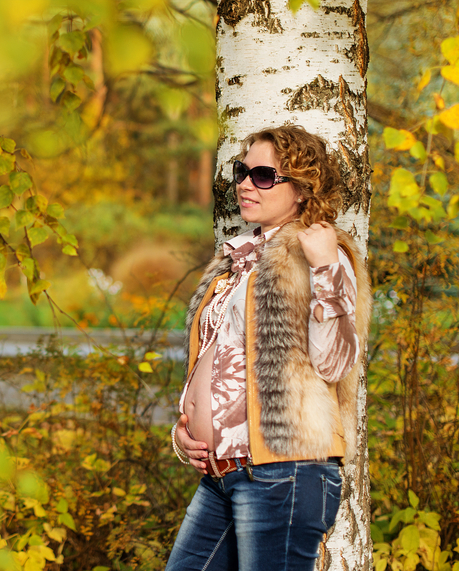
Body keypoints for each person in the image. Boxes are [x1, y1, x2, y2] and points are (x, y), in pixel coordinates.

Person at [165, 125, 371, 571]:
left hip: (283, 472)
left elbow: (335, 362)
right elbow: (215, 359)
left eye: (262, 176)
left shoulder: (319, 253)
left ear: (301, 189)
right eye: (242, 172)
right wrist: (187, 433)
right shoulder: (236, 261)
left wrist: (325, 267)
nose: (244, 184)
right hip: (223, 474)